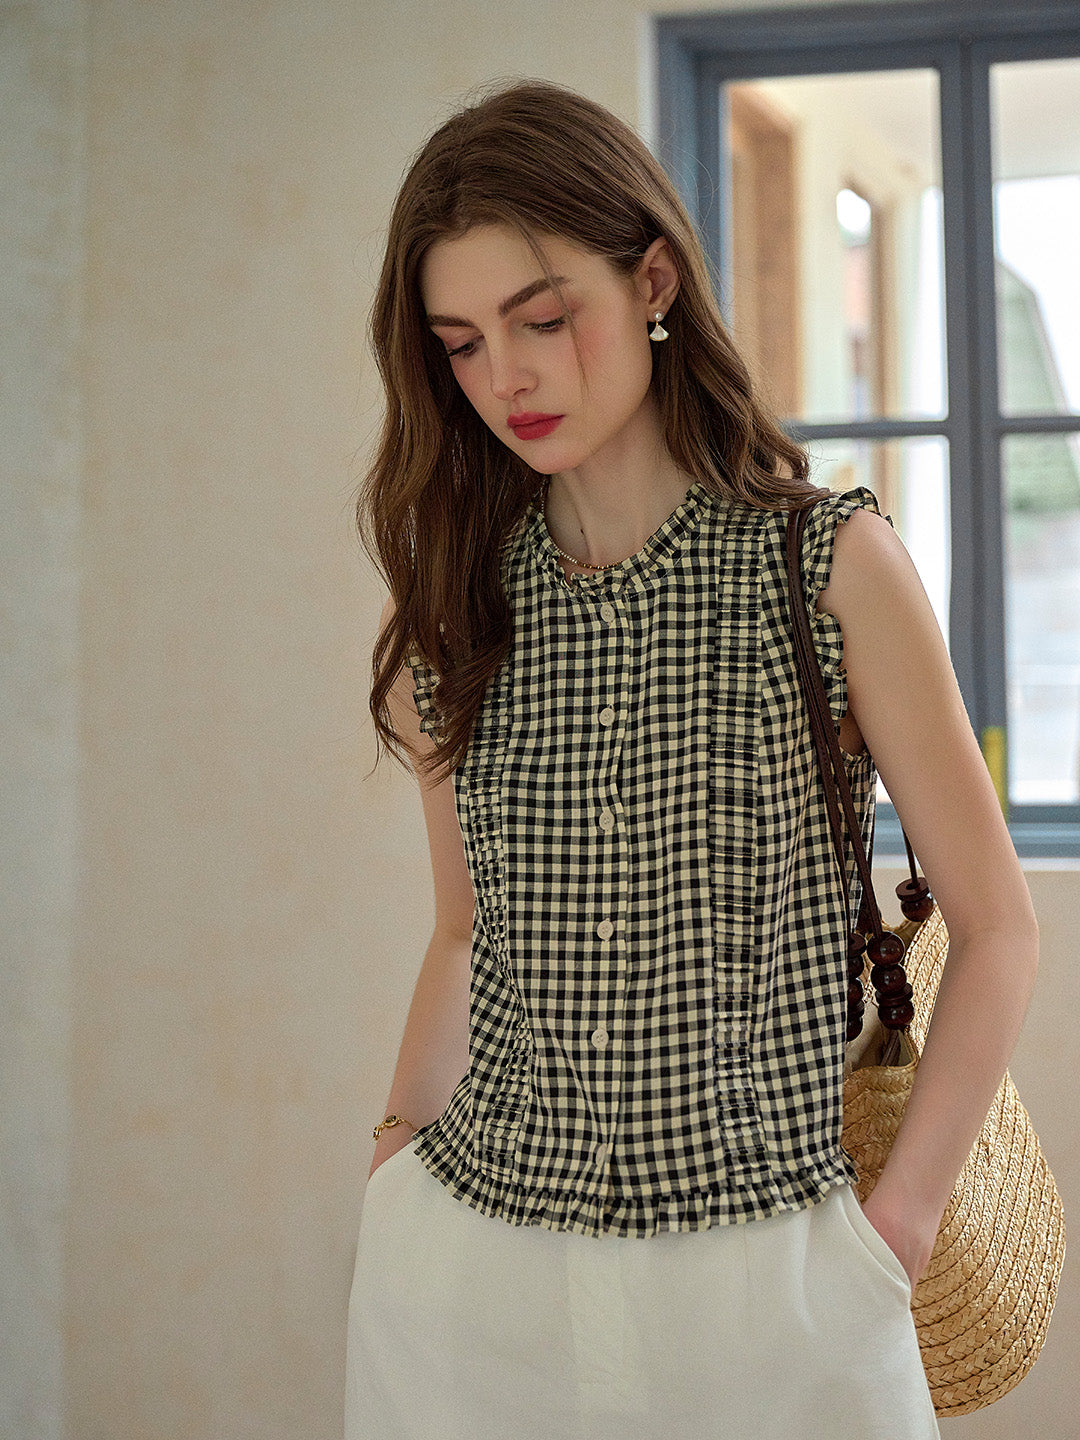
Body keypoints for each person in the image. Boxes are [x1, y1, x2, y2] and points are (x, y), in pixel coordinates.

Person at [346, 79, 1038, 1440]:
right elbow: (466, 929)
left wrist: (893, 1232)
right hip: (475, 1287)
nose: (506, 377)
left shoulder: (827, 566)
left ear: (654, 280)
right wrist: (391, 1167)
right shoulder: (458, 606)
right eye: (462, 344)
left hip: (775, 1289)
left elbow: (999, 925)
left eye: (543, 319)